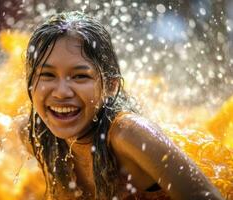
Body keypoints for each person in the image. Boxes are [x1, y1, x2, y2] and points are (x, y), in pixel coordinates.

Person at [24, 11, 224, 200]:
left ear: (111, 86)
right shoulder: (35, 135)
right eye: (47, 75)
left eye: (80, 76)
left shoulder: (129, 135)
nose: (61, 92)